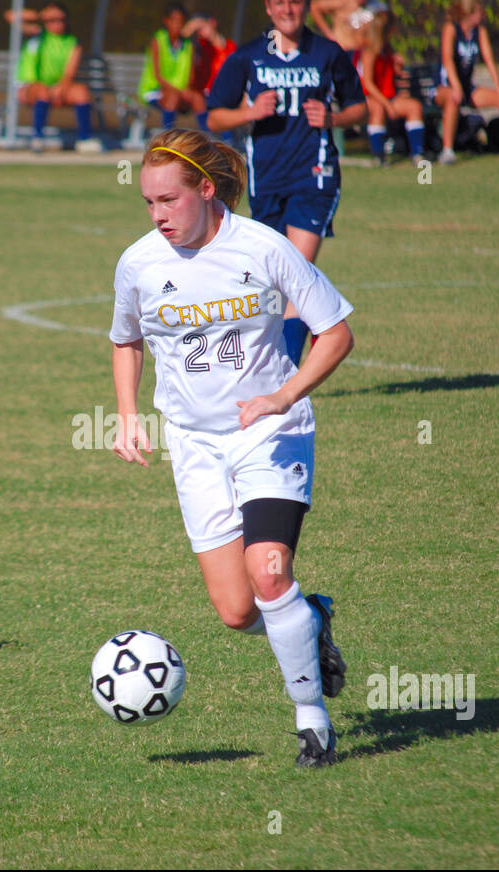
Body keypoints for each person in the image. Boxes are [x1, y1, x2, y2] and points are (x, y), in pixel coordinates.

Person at [110, 130, 356, 767]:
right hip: (193, 444)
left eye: (169, 199)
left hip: (270, 433)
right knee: (236, 609)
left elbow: (334, 333)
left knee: (269, 569)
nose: (158, 214)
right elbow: (125, 339)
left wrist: (283, 395)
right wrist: (129, 413)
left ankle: (312, 725)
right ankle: (313, 616)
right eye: (148, 202)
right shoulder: (139, 262)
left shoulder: (265, 248)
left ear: (206, 190)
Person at [206, 0, 366, 367]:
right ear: (268, 7)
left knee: (295, 268)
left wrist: (334, 117)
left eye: (295, 2)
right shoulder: (248, 56)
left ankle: (289, 373)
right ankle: (303, 335)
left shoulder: (327, 52)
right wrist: (250, 112)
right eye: (279, 2)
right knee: (274, 281)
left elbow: (361, 107)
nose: (288, 9)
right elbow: (214, 117)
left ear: (306, 6)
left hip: (315, 175)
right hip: (267, 179)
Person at [432, 0, 499, 166]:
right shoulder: (451, 29)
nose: (482, 15)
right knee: (453, 98)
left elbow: (489, 60)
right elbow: (447, 60)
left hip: (466, 88)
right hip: (444, 87)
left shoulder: (480, 31)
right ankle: (447, 151)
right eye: (479, 12)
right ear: (468, 13)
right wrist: (455, 86)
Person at [7, 3, 100, 153]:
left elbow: (69, 73)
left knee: (81, 92)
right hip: (29, 87)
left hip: (56, 87)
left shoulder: (72, 42)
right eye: (52, 19)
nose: (57, 23)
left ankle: (85, 139)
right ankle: (37, 138)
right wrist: (39, 15)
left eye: (60, 19)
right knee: (42, 90)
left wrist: (61, 88)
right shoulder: (37, 34)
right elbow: (11, 16)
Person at [357, 4, 426, 165]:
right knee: (378, 109)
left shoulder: (386, 49)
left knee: (414, 106)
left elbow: (388, 75)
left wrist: (397, 65)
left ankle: (417, 153)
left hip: (387, 96)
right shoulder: (369, 52)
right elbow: (368, 84)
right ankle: (379, 156)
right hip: (369, 98)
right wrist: (387, 104)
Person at [139, 3, 207, 132]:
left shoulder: (188, 45)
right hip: (155, 90)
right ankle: (168, 137)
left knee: (198, 98)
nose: (177, 25)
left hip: (180, 91)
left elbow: (191, 75)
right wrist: (178, 91)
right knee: (173, 97)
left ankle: (210, 138)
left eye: (181, 21)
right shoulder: (158, 40)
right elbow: (157, 75)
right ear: (166, 21)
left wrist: (186, 89)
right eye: (174, 21)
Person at [185, 12, 236, 98]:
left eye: (201, 26)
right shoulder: (199, 46)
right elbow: (179, 38)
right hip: (202, 95)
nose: (199, 31)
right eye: (196, 29)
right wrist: (190, 27)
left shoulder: (231, 47)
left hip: (223, 95)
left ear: (213, 22)